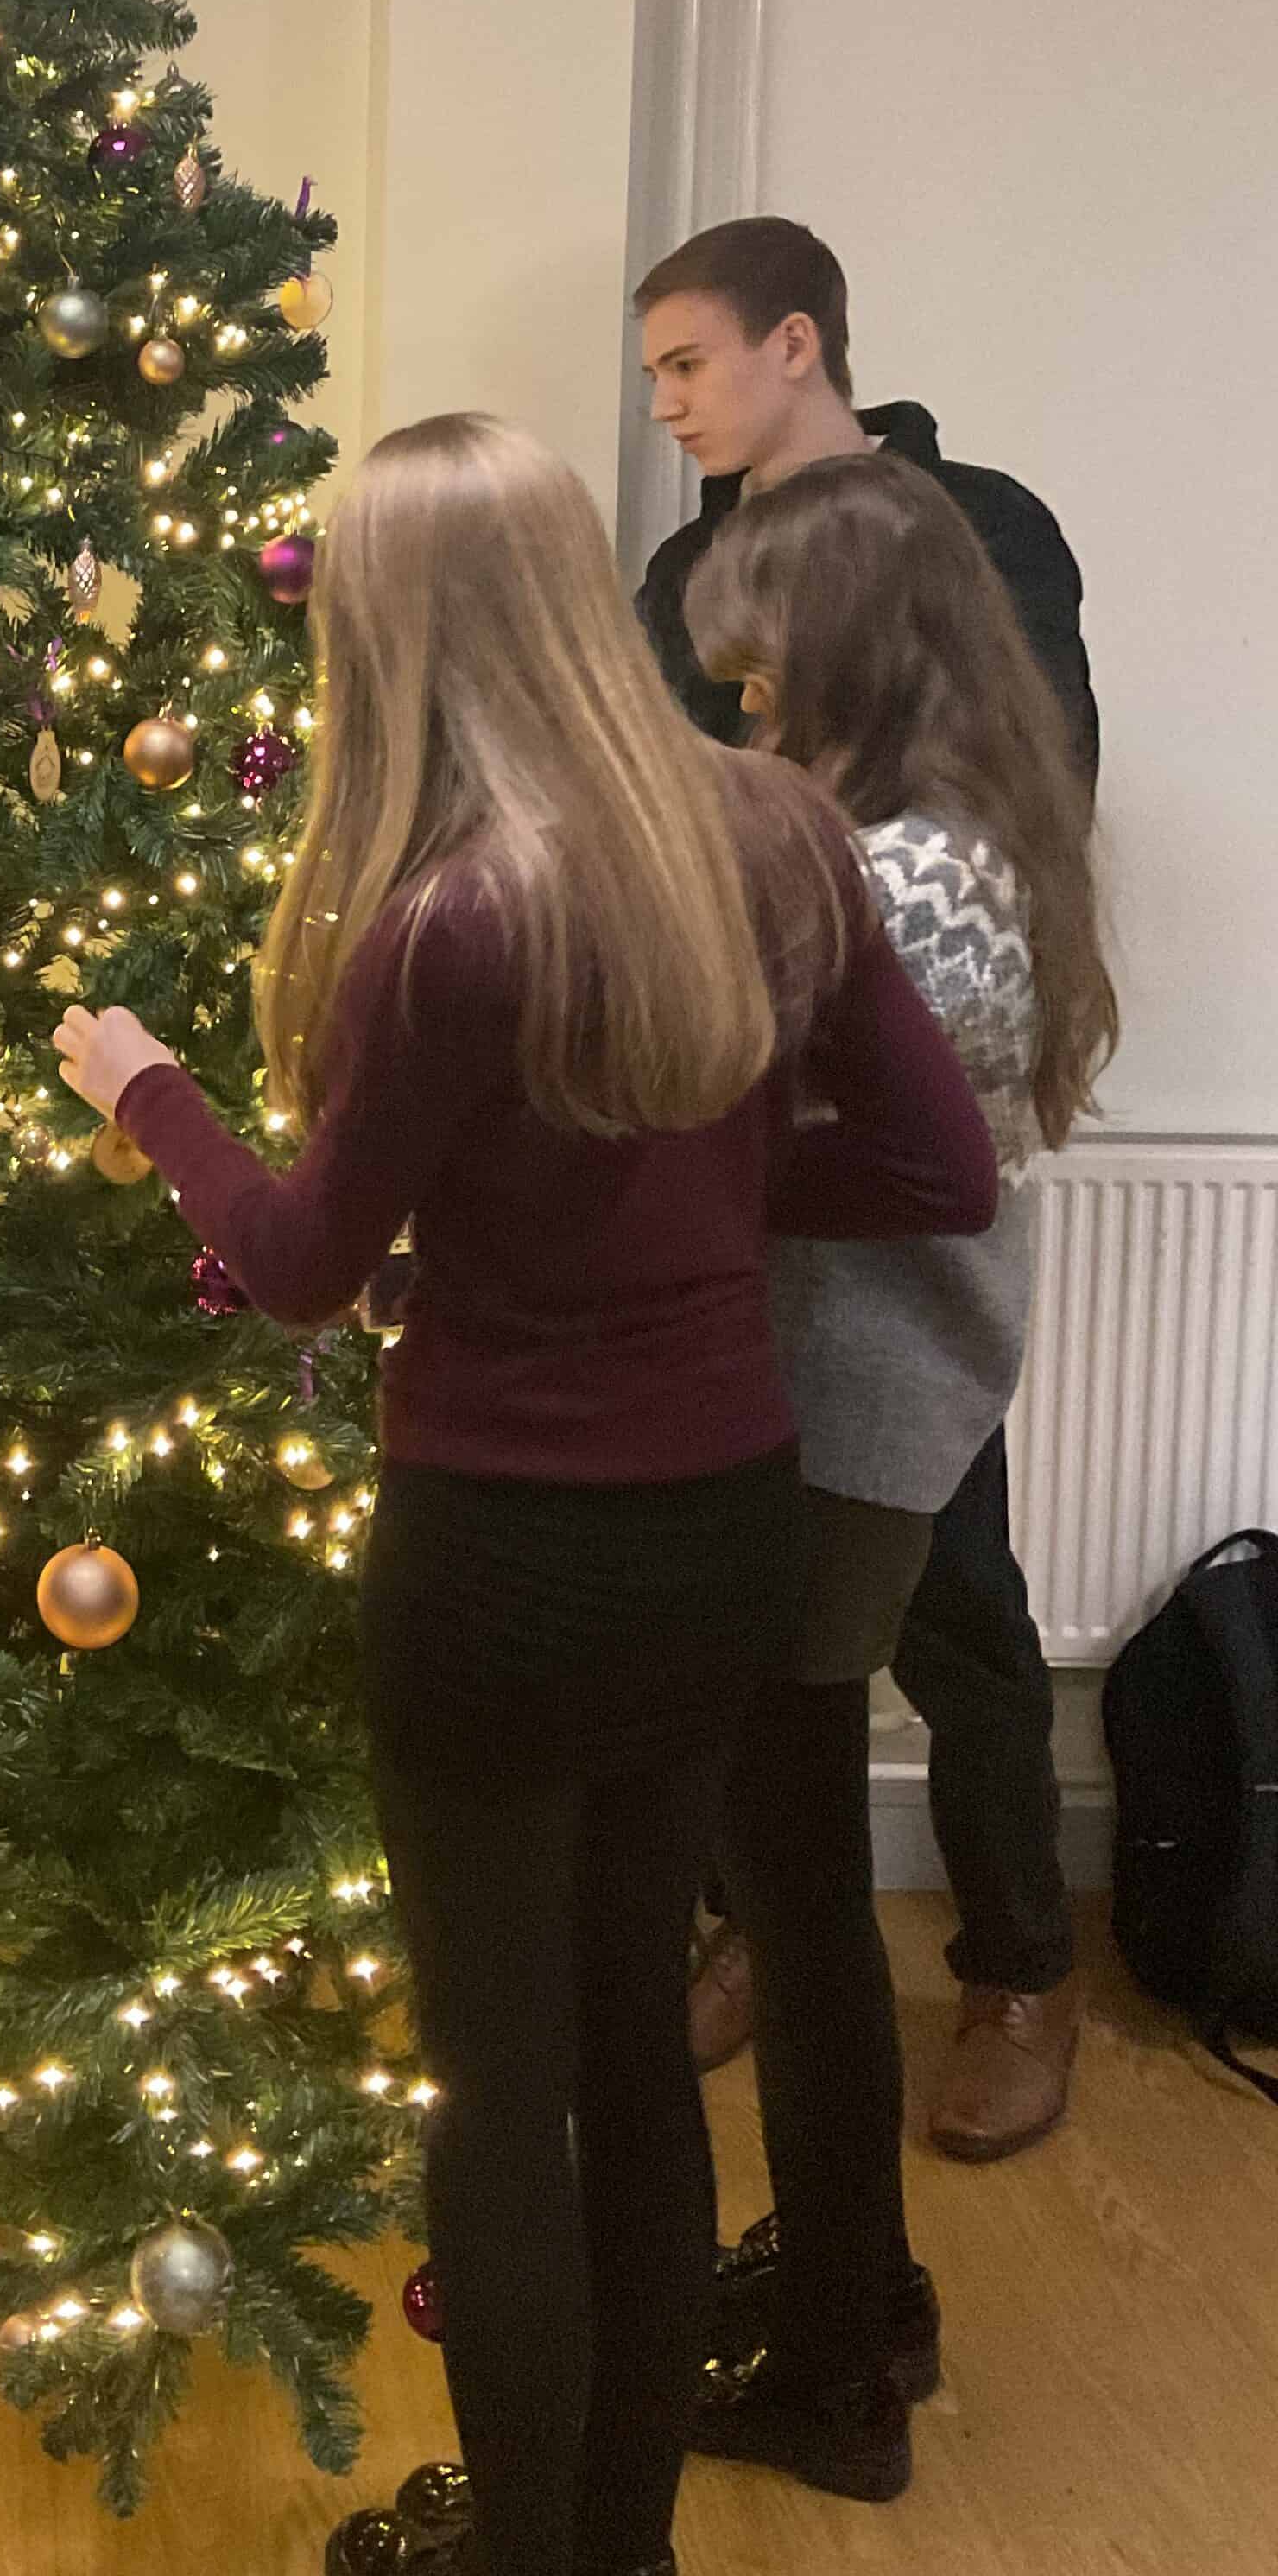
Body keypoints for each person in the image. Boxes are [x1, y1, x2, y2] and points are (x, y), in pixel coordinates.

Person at [50, 412, 999, 2576]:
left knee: (500, 2087)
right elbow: (941, 1169)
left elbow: (293, 1262)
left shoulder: (443, 921)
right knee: (642, 2062)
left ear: (387, 640)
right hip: (726, 1529)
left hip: (501, 1565)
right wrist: (728, 1185)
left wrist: (151, 1091)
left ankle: (534, 2554)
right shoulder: (768, 837)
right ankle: (623, 2546)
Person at [675, 454, 1118, 2507]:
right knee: (793, 1870)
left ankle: (843, 2356)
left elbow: (767, 1113)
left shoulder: (916, 872)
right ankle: (868, 2284)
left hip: (846, 1416)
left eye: (764, 661)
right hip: (850, 1402)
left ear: (848, 640)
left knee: (796, 1887)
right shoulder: (922, 832)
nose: (746, 694)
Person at [635, 216, 1097, 2158]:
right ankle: (766, 1915)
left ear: (796, 343)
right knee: (764, 1628)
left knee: (950, 1588)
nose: (665, 407)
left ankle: (1014, 1959)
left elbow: (1025, 787)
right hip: (760, 1213)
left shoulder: (975, 527)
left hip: (883, 1227)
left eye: (683, 366)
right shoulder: (679, 573)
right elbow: (687, 824)